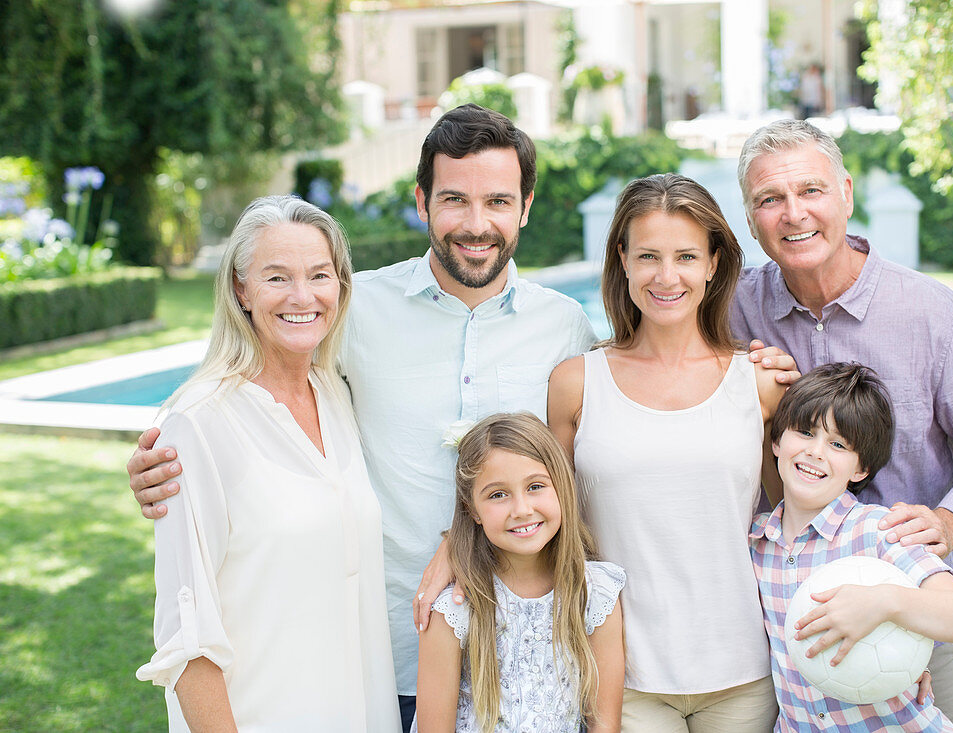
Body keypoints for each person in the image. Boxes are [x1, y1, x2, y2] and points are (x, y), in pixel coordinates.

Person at [128, 106, 798, 731]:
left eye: (498, 201)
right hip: (383, 648)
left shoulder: (563, 331)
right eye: (455, 199)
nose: (476, 222)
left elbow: (599, 460)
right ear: (423, 201)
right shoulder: (352, 315)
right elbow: (257, 390)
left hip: (532, 664)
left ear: (525, 208)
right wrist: (167, 454)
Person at [732, 118, 953, 731]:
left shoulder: (932, 314)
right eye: (770, 199)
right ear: (750, 216)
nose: (793, 213)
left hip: (914, 610)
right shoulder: (732, 309)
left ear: (845, 192)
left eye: (810, 191)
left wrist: (948, 523)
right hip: (782, 614)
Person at [135, 195, 401, 731]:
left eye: (319, 275)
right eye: (276, 277)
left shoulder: (334, 394)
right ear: (241, 289)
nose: (303, 296)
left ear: (340, 285)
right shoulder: (196, 423)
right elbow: (189, 639)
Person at [549, 173, 787, 732]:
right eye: (649, 256)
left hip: (743, 674)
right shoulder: (576, 384)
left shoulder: (758, 384)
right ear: (623, 260)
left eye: (685, 256)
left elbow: (796, 529)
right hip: (622, 678)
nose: (667, 276)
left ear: (713, 263)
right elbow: (554, 531)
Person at [751, 362, 953, 731]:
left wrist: (885, 602)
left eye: (838, 444)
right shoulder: (758, 545)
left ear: (860, 468)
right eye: (804, 432)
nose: (816, 452)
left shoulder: (878, 531)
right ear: (776, 441)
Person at [414, 412, 625, 733]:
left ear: (562, 487)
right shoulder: (453, 611)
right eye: (498, 494)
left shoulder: (596, 593)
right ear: (472, 509)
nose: (522, 509)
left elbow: (605, 723)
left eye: (536, 486)